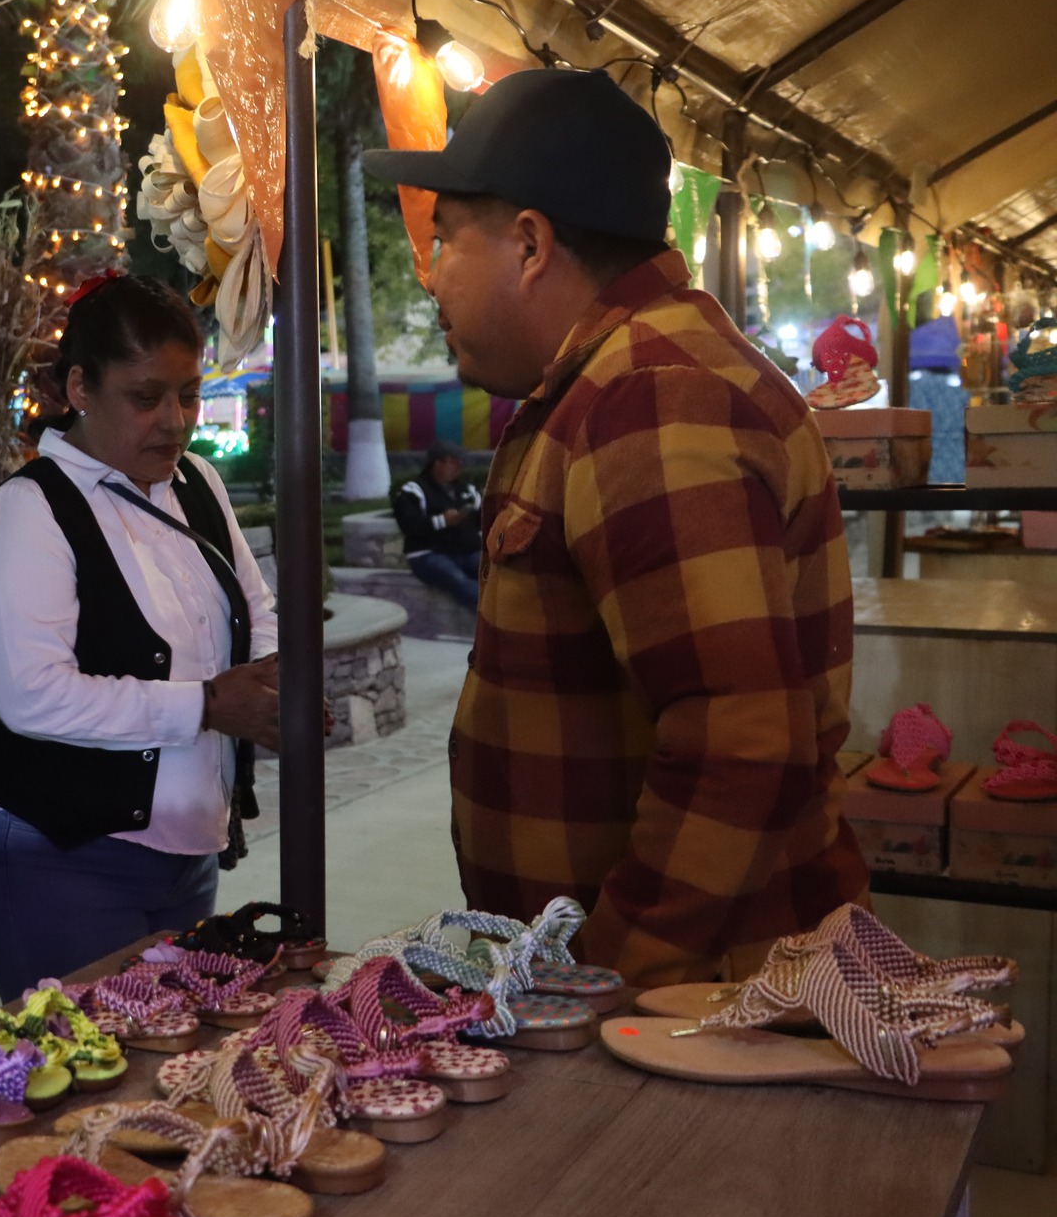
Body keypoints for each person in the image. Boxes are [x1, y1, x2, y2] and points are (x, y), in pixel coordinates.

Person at [365, 67, 866, 988]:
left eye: (442, 240)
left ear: (529, 243)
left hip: (684, 1010)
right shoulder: (615, 380)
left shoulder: (650, 398)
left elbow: (738, 742)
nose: (430, 279)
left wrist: (607, 978)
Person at [0, 274, 283, 1001]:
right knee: (96, 1078)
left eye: (189, 394)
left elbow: (255, 609)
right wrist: (204, 705)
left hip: (186, 852)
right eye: (146, 396)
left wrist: (272, 686)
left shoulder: (197, 482)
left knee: (168, 1072)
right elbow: (34, 697)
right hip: (56, 852)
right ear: (79, 387)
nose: (175, 420)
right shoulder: (28, 512)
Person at [391, 439, 482, 609]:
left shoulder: (468, 490)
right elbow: (409, 526)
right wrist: (442, 521)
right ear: (437, 464)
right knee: (457, 579)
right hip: (428, 554)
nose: (458, 466)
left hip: (466, 552)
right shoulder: (413, 491)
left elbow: (483, 520)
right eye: (453, 462)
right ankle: (495, 619)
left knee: (496, 572)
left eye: (459, 462)